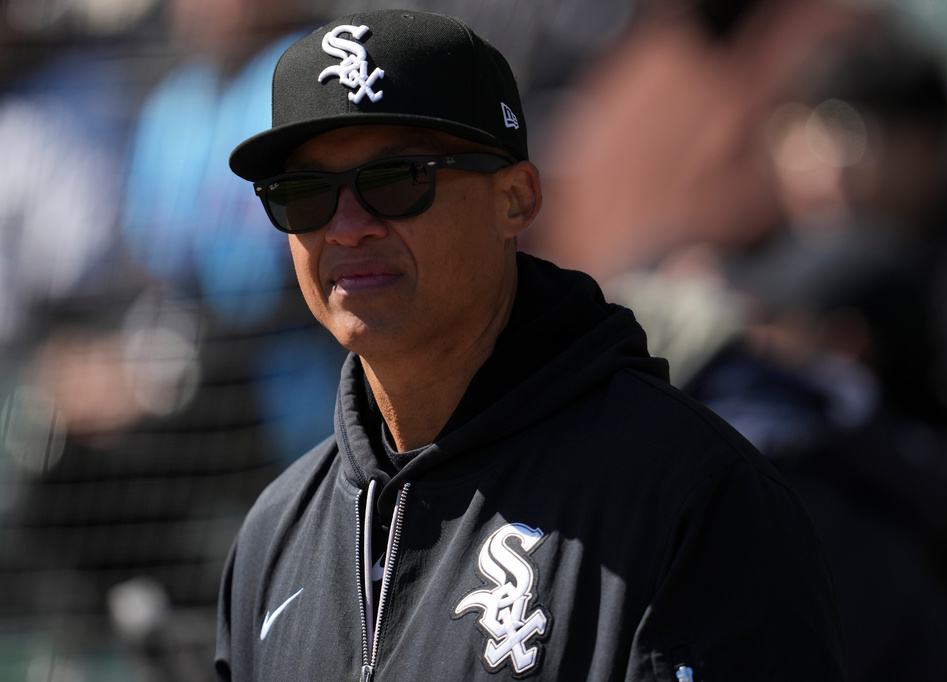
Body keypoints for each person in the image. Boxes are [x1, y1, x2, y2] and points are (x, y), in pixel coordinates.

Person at [215, 9, 845, 681]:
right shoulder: (273, 535)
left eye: (397, 179)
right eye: (303, 193)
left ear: (515, 199)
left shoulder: (688, 494)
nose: (346, 227)